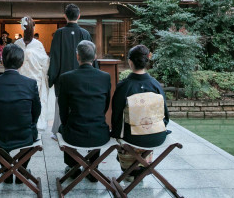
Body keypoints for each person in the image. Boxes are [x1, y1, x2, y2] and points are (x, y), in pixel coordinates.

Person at [0, 44, 41, 184]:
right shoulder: (30, 84)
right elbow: (36, 112)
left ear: (2, 61)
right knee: (32, 130)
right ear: (21, 63)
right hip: (25, 135)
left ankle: (6, 171)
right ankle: (21, 170)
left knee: (0, 133)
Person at [111, 45, 169, 180]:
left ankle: (130, 171)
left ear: (130, 62)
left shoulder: (124, 86)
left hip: (132, 138)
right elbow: (165, 116)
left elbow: (117, 117)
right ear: (146, 61)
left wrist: (115, 133)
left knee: (122, 136)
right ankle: (142, 167)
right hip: (156, 136)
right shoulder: (156, 85)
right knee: (145, 135)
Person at [57, 40, 111, 180]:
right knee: (95, 124)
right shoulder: (105, 77)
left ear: (77, 56)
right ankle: (93, 168)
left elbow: (63, 108)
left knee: (64, 126)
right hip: (100, 132)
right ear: (94, 57)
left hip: (73, 133)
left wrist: (65, 124)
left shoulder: (66, 77)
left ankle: (73, 167)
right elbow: (105, 104)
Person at [47, 3, 93, 136]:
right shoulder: (85, 33)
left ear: (65, 16)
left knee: (61, 104)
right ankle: (78, 130)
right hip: (83, 77)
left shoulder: (59, 33)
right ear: (79, 16)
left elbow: (54, 57)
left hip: (63, 76)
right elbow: (91, 57)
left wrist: (52, 76)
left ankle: (57, 131)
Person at [16, 16, 50, 130]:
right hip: (27, 79)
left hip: (28, 79)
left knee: (28, 104)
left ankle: (28, 125)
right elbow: (45, 63)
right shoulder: (19, 43)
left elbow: (45, 62)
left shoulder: (35, 44)